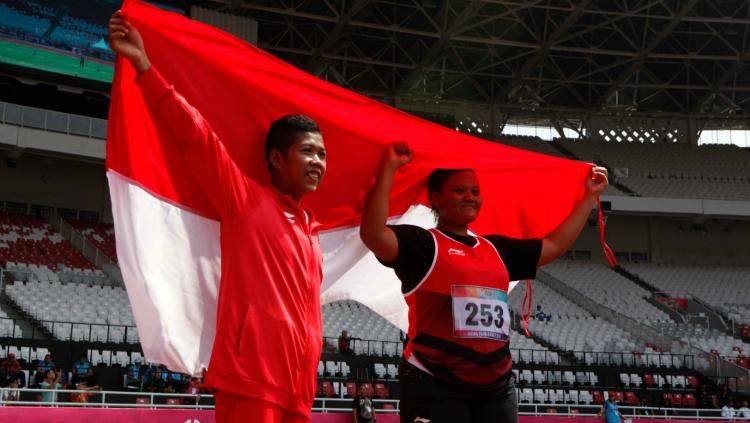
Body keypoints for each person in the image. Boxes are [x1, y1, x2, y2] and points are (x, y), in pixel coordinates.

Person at [109, 11, 327, 423]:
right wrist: (144, 66)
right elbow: (196, 138)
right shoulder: (245, 200)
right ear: (277, 159)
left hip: (300, 389)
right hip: (250, 379)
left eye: (322, 154)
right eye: (307, 152)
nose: (317, 161)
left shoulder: (312, 229)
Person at [359, 142, 608, 423]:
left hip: (496, 388)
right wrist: (389, 168)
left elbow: (553, 246)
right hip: (433, 380)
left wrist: (589, 197)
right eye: (460, 190)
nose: (470, 197)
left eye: (475, 191)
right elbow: (374, 235)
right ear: (436, 198)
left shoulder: (496, 249)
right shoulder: (423, 244)